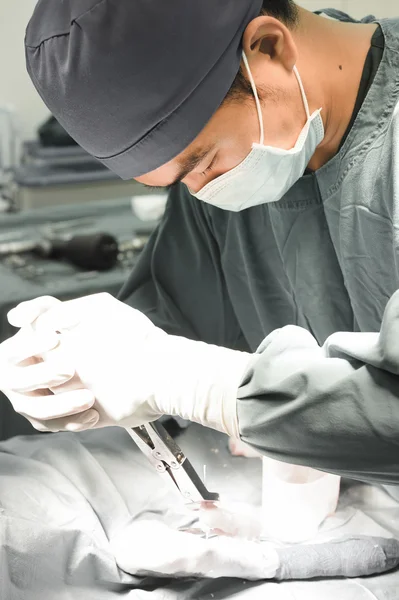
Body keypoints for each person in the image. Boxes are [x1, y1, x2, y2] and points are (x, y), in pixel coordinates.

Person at [2, 0, 399, 485]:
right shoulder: (219, 185)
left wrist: (197, 385)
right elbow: (167, 323)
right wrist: (65, 367)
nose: (203, 192)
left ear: (269, 47)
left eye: (204, 161)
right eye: (173, 182)